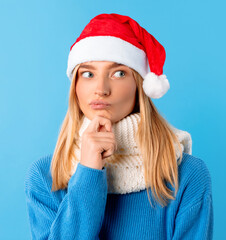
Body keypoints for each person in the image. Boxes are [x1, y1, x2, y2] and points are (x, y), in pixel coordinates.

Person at [24, 13, 213, 239]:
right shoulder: (46, 177)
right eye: (88, 73)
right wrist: (88, 172)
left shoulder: (187, 174)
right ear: (75, 86)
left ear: (139, 85)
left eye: (119, 73)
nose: (101, 89)